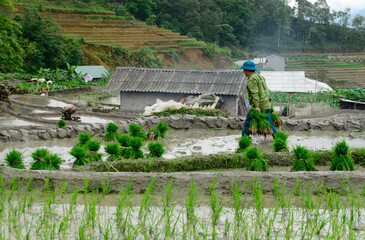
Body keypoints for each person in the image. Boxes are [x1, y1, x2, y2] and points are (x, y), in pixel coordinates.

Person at [241, 60, 277, 138]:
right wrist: (270, 106)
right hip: (266, 104)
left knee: (247, 124)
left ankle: (244, 140)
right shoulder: (260, 77)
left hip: (259, 106)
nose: (243, 72)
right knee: (269, 124)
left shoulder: (252, 79)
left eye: (244, 70)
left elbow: (255, 93)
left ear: (247, 70)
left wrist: (256, 106)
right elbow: (266, 91)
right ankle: (279, 138)